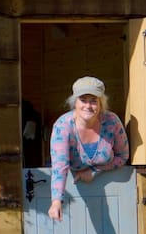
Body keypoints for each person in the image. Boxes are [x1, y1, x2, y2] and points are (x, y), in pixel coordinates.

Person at [47, 76, 130, 222]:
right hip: (76, 192)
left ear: (101, 103)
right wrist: (56, 201)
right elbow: (60, 166)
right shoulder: (63, 126)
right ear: (75, 102)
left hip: (111, 190)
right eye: (83, 100)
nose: (88, 106)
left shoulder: (112, 121)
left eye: (93, 100)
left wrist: (95, 172)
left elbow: (123, 156)